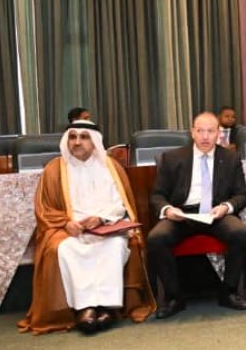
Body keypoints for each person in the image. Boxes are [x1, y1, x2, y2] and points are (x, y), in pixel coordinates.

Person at [19, 120, 156, 335]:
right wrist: (66, 223)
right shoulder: (54, 169)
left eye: (83, 137)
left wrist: (101, 219)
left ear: (94, 141)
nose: (77, 142)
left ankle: (106, 307)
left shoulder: (111, 167)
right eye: (72, 137)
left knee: (114, 247)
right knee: (66, 250)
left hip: (106, 227)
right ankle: (85, 308)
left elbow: (121, 204)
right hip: (69, 230)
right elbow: (44, 208)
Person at [147, 111, 246, 318]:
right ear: (192, 132)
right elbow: (157, 195)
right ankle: (174, 297)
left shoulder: (230, 158)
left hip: (216, 213)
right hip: (182, 214)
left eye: (210, 131)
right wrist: (169, 210)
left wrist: (226, 207)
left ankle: (228, 292)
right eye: (200, 131)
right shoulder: (172, 158)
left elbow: (241, 195)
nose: (205, 136)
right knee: (156, 238)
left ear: (218, 133)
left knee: (240, 233)